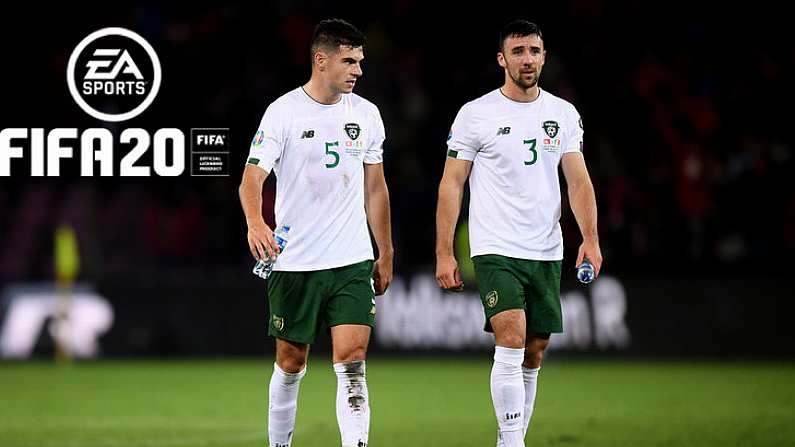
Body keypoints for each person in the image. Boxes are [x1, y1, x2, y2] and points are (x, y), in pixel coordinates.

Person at [435, 19, 602, 447]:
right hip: (494, 247)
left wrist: (590, 238)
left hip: (546, 248)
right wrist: (445, 252)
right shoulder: (476, 114)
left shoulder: (563, 114)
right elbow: (452, 183)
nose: (526, 59)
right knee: (511, 335)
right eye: (518, 51)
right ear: (501, 59)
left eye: (533, 51)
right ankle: (512, 442)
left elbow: (578, 181)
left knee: (535, 350)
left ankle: (510, 436)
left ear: (544, 57)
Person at [238, 18, 393, 447]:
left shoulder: (366, 114)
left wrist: (386, 252)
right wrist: (256, 222)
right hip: (295, 261)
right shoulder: (283, 112)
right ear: (320, 60)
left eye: (360, 61)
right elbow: (251, 179)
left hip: (351, 259)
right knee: (291, 361)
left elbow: (375, 187)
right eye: (349, 61)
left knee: (353, 360)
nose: (357, 70)